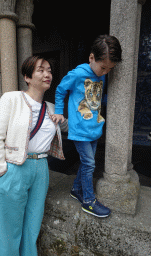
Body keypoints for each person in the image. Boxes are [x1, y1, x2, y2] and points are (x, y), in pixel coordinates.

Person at [0, 56, 68, 256]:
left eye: (49, 70)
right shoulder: (11, 98)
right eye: (41, 70)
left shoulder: (51, 107)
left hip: (41, 169)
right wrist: (1, 169)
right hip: (14, 167)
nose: (47, 74)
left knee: (32, 225)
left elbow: (65, 128)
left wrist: (62, 119)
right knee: (7, 228)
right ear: (27, 77)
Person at [52, 35, 122, 218]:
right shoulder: (78, 73)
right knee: (90, 163)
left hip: (94, 127)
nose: (105, 72)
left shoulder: (101, 74)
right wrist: (59, 111)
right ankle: (89, 201)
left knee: (87, 162)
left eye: (109, 69)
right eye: (103, 67)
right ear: (91, 58)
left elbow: (97, 98)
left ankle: (76, 189)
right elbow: (60, 90)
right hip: (80, 129)